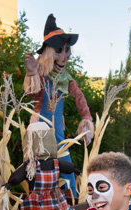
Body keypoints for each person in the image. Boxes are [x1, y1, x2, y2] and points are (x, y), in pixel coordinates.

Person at [23, 14, 94, 198]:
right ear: (48, 52)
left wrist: (86, 118)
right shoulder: (39, 73)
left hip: (59, 136)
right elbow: (32, 94)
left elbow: (79, 97)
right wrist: (31, 73)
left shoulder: (65, 78)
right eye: (59, 51)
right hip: (41, 132)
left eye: (67, 50)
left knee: (68, 174)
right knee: (44, 178)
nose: (64, 56)